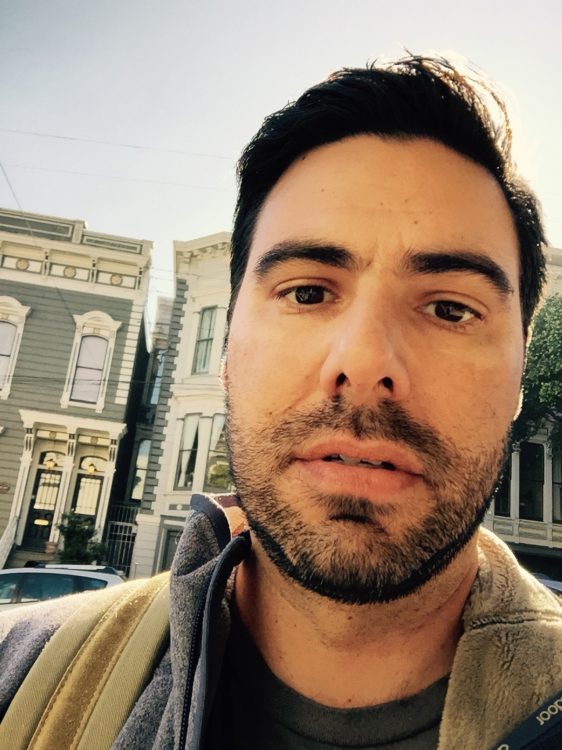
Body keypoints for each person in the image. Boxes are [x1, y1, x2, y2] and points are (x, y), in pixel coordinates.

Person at [1, 55, 561, 750]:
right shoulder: (22, 681)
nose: (362, 364)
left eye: (450, 308)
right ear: (228, 345)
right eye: (307, 292)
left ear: (518, 379)